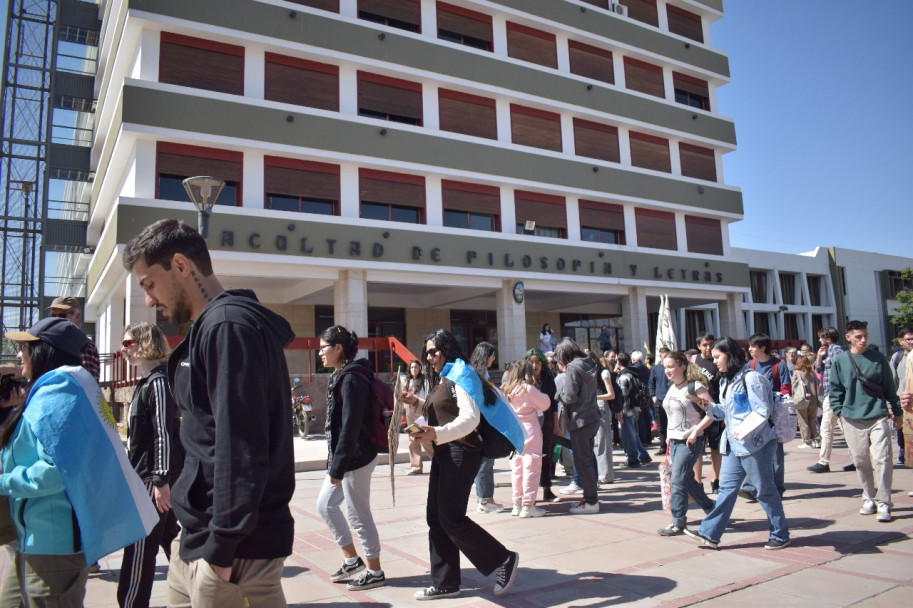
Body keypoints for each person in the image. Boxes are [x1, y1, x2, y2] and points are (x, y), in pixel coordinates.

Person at [122, 219, 295, 607]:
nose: (149, 300)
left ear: (182, 266)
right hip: (198, 539)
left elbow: (241, 447)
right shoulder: (210, 328)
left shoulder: (228, 327)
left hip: (235, 551)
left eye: (149, 284)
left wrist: (221, 552)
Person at [2, 318, 158, 606]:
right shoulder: (53, 391)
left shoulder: (59, 395)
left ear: (44, 351)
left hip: (53, 547)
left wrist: (4, 481)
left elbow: (56, 472)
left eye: (24, 348)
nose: (18, 355)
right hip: (31, 541)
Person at [409, 329, 518, 600]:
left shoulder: (462, 373)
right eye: (427, 353)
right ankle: (446, 582)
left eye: (434, 350)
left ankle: (502, 559)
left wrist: (436, 433)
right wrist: (417, 403)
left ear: (447, 347)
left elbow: (470, 419)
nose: (429, 356)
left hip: (462, 452)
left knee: (451, 518)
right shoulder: (446, 376)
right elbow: (447, 411)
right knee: (436, 517)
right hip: (446, 452)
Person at [683, 337, 790, 550]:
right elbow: (725, 411)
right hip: (733, 444)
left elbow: (762, 411)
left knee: (765, 490)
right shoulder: (725, 381)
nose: (714, 362)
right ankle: (710, 533)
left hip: (755, 444)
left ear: (729, 355)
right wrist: (707, 406)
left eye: (717, 357)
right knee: (726, 489)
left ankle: (780, 534)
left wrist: (742, 429)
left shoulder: (752, 379)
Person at [117, 322, 183, 608]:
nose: (124, 350)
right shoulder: (147, 382)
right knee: (171, 539)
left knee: (140, 548)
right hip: (147, 476)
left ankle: (131, 604)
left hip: (152, 479)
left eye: (129, 343)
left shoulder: (157, 382)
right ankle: (204, 590)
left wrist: (160, 480)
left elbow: (164, 433)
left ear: (145, 343)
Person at [317, 325, 385, 591]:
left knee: (358, 515)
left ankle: (375, 571)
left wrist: (338, 465)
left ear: (338, 348)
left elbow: (350, 427)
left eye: (324, 347)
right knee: (325, 505)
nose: (320, 353)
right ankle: (352, 560)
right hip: (345, 458)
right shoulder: (341, 375)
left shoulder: (352, 379)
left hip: (356, 459)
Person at [829, 320, 901, 522]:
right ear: (848, 337)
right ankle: (868, 497)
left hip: (878, 416)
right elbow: (835, 389)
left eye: (865, 336)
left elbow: (889, 388)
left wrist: (897, 413)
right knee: (861, 461)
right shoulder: (841, 360)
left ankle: (884, 502)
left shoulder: (878, 358)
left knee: (883, 460)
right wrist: (839, 411)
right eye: (858, 336)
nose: (863, 340)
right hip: (851, 418)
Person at [657, 351, 715, 536]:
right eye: (665, 367)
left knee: (678, 480)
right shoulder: (672, 387)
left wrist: (696, 431)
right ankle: (711, 508)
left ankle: (678, 521)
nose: (667, 370)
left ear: (683, 366)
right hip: (674, 441)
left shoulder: (694, 387)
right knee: (687, 479)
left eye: (671, 366)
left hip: (689, 441)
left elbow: (713, 412)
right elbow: (671, 415)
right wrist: (668, 435)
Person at [741, 332, 791, 501]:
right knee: (754, 449)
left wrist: (773, 396)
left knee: (776, 454)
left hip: (774, 416)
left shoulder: (779, 365)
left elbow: (786, 388)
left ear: (762, 348)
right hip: (755, 416)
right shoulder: (751, 365)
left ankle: (777, 488)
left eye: (752, 347)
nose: (749, 349)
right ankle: (751, 487)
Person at [555, 338, 602, 514]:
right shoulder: (589, 363)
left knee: (582, 462)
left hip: (580, 419)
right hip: (593, 416)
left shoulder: (573, 367)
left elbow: (570, 397)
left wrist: (558, 394)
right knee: (587, 460)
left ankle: (591, 501)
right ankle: (590, 499)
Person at [502, 361, 550, 517]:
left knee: (517, 468)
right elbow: (545, 403)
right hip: (530, 429)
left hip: (515, 430)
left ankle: (517, 504)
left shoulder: (508, 388)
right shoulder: (528, 389)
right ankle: (528, 506)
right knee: (532, 466)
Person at [469, 342, 504, 514]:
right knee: (484, 462)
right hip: (482, 423)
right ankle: (483, 499)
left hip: (488, 422)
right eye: (492, 355)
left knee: (489, 461)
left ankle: (488, 498)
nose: (494, 358)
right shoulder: (476, 375)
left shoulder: (483, 373)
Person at [809, 327, 846, 474]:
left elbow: (842, 370)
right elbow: (819, 370)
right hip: (831, 394)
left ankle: (823, 461)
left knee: (827, 428)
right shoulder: (828, 352)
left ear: (827, 339)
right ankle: (858, 459)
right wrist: (819, 357)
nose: (819, 340)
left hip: (834, 394)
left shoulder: (836, 351)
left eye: (821, 337)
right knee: (843, 428)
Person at [524, 349, 559, 502]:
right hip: (528, 423)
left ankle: (546, 489)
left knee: (545, 454)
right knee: (526, 458)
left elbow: (554, 403)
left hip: (546, 422)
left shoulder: (548, 378)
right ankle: (525, 494)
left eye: (537, 362)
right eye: (531, 362)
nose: (534, 365)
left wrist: (556, 425)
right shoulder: (523, 379)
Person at [693, 333, 722, 493]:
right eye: (705, 345)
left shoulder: (718, 361)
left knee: (715, 448)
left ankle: (716, 480)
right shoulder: (693, 361)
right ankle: (698, 481)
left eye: (711, 344)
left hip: (715, 410)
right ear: (699, 346)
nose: (708, 347)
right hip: (696, 411)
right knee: (697, 447)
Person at [48, 296, 100, 381]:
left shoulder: (84, 346)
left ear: (77, 317)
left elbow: (89, 385)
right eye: (53, 316)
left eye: (62, 315)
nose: (56, 319)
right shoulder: (49, 343)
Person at [616, 353, 652, 467]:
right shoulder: (633, 373)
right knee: (634, 434)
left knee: (629, 435)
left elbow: (623, 395)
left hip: (627, 410)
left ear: (619, 362)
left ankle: (633, 459)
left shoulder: (623, 376)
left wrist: (620, 411)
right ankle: (643, 456)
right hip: (635, 408)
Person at [404, 359, 432, 475]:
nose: (414, 369)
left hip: (421, 413)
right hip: (410, 414)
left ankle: (438, 461)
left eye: (416, 367)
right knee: (413, 440)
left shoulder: (425, 381)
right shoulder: (407, 381)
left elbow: (428, 396)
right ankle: (416, 466)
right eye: (412, 367)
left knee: (425, 439)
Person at [889, 328, 913, 465]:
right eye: (908, 339)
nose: (911, 342)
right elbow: (892, 382)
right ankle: (903, 451)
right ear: (901, 341)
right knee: (902, 428)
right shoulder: (897, 358)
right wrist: (891, 404)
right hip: (902, 401)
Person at [594, 355, 618, 485]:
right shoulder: (595, 373)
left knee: (603, 441)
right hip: (596, 406)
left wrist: (595, 397)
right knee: (597, 442)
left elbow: (611, 394)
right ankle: (600, 473)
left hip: (602, 406)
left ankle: (606, 475)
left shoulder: (604, 372)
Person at [792, 354, 821, 448]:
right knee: (812, 420)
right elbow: (819, 385)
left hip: (802, 400)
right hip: (814, 400)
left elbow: (793, 386)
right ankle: (816, 440)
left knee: (803, 420)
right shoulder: (812, 373)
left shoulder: (797, 372)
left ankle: (807, 441)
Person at [649, 347, 672, 456]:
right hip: (659, 400)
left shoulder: (673, 367)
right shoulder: (656, 368)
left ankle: (671, 446)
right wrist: (653, 395)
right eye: (662, 357)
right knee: (661, 425)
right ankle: (663, 446)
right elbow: (651, 383)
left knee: (671, 423)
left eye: (666, 356)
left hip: (671, 399)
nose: (663, 359)